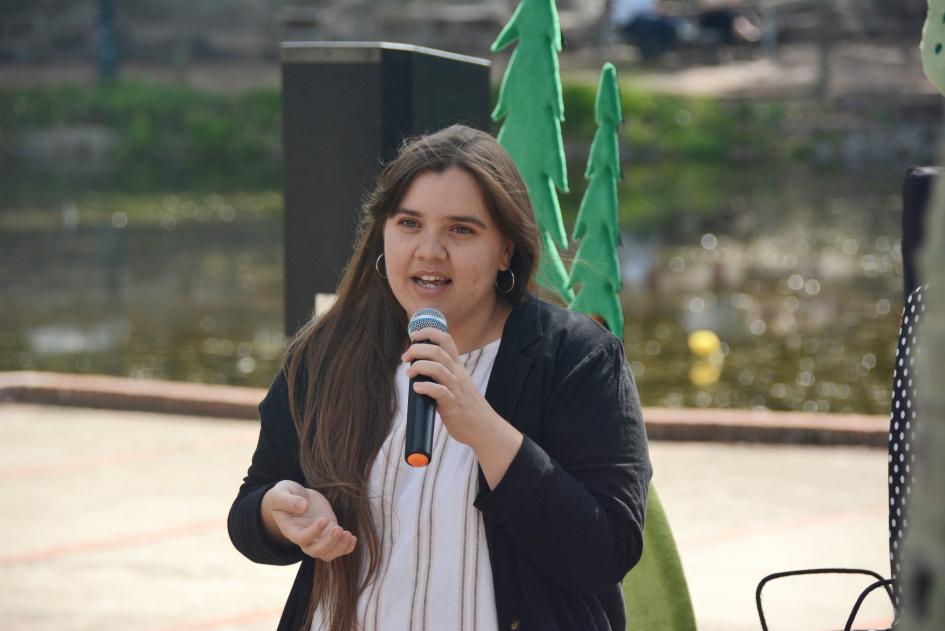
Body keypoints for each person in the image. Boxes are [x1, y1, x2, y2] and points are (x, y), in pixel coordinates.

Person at [227, 125, 652, 631]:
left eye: (461, 230)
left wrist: (484, 427)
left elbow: (604, 553)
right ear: (383, 232)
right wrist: (279, 514)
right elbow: (251, 508)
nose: (429, 250)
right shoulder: (327, 352)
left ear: (506, 250)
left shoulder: (576, 358)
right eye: (409, 223)